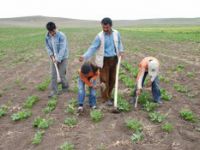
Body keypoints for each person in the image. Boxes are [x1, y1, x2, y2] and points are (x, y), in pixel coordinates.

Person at [79, 17, 124, 106]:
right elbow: (93, 48)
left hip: (114, 59)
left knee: (113, 79)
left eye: (107, 27)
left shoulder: (116, 33)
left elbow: (119, 43)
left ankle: (109, 95)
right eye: (103, 27)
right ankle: (105, 98)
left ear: (111, 26)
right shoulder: (99, 36)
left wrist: (121, 51)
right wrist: (84, 56)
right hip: (104, 61)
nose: (105, 29)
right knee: (104, 80)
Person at [45, 22, 69, 98]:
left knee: (61, 73)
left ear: (55, 28)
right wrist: (51, 56)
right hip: (54, 57)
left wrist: (58, 59)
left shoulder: (61, 36)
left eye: (53, 31)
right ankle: (54, 90)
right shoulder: (47, 36)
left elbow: (63, 48)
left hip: (63, 57)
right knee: (53, 74)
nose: (52, 33)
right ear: (48, 31)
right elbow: (47, 46)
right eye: (50, 32)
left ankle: (65, 87)